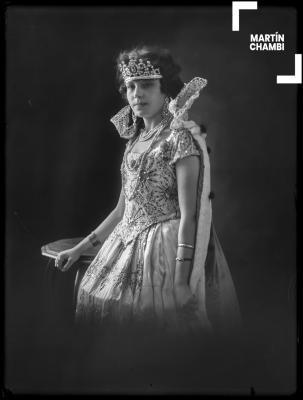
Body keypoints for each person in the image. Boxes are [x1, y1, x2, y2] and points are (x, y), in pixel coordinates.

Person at [55, 45, 241, 337]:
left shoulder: (180, 139)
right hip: (123, 242)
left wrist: (181, 282)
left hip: (164, 250)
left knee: (154, 324)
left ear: (165, 89)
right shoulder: (134, 141)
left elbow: (190, 216)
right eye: (131, 86)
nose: (137, 94)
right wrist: (79, 249)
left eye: (146, 85)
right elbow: (122, 211)